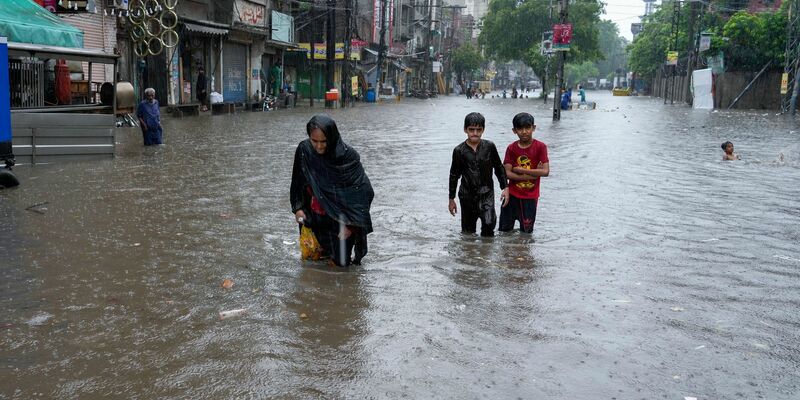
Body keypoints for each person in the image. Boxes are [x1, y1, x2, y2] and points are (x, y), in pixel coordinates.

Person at [290, 115, 374, 267]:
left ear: (333, 137)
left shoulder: (348, 157)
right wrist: (298, 208)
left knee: (341, 267)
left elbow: (364, 192)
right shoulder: (305, 150)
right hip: (313, 217)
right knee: (311, 264)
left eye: (324, 141)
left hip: (340, 221)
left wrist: (351, 226)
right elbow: (298, 181)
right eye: (314, 141)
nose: (319, 147)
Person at [449, 112, 510, 237]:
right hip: (467, 195)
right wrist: (451, 199)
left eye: (478, 130)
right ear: (465, 129)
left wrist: (505, 187)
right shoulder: (459, 151)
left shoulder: (489, 147)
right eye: (471, 130)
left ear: (483, 130)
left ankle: (485, 254)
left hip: (486, 193)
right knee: (468, 231)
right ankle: (470, 255)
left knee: (489, 224)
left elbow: (499, 167)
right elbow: (454, 175)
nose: (475, 133)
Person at [499, 112, 549, 234]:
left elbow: (546, 171)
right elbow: (507, 173)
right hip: (512, 196)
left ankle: (523, 253)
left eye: (527, 128)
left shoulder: (540, 147)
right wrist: (534, 173)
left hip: (530, 197)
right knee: (504, 232)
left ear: (534, 128)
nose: (524, 131)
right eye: (520, 128)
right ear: (514, 130)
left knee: (526, 234)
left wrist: (522, 170)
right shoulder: (511, 148)